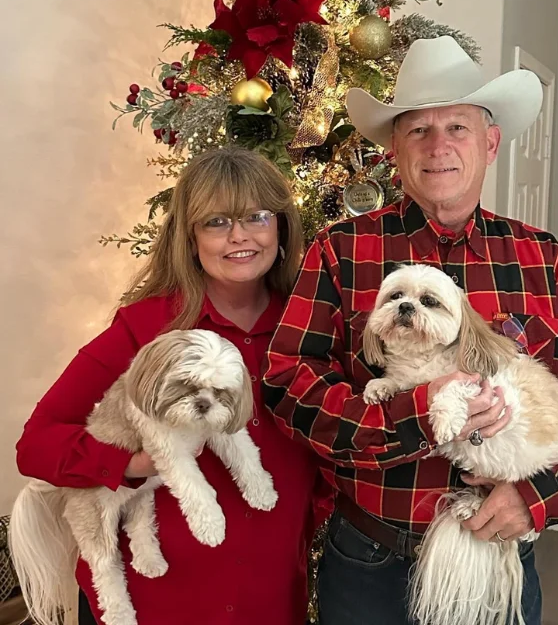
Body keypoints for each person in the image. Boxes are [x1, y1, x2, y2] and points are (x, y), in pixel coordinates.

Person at [262, 36, 558, 625]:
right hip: (372, 558)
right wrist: (417, 414)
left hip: (494, 556)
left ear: (490, 143)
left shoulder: (539, 259)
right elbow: (288, 384)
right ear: (395, 148)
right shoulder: (342, 251)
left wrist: (538, 495)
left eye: (458, 128)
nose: (438, 145)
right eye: (418, 129)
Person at [16, 146, 328, 625]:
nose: (239, 237)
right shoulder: (144, 328)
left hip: (268, 600)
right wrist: (135, 464)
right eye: (217, 222)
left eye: (256, 217)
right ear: (190, 236)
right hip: (152, 603)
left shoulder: (313, 327)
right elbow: (35, 445)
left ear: (281, 226)